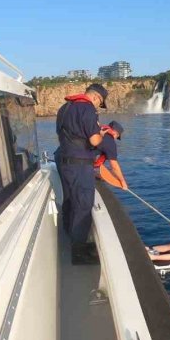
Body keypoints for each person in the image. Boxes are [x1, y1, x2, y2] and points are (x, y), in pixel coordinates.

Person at [54, 83, 107, 264]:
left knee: (69, 199)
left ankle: (68, 234)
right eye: (100, 102)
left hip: (63, 161)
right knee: (84, 205)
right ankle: (78, 252)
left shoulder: (65, 108)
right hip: (79, 165)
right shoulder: (88, 109)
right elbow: (93, 140)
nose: (98, 106)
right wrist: (103, 135)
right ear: (96, 97)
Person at [94, 120, 128, 190]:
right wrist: (123, 182)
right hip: (85, 167)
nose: (115, 138)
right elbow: (114, 166)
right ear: (116, 133)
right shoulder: (110, 143)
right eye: (117, 136)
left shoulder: (96, 131)